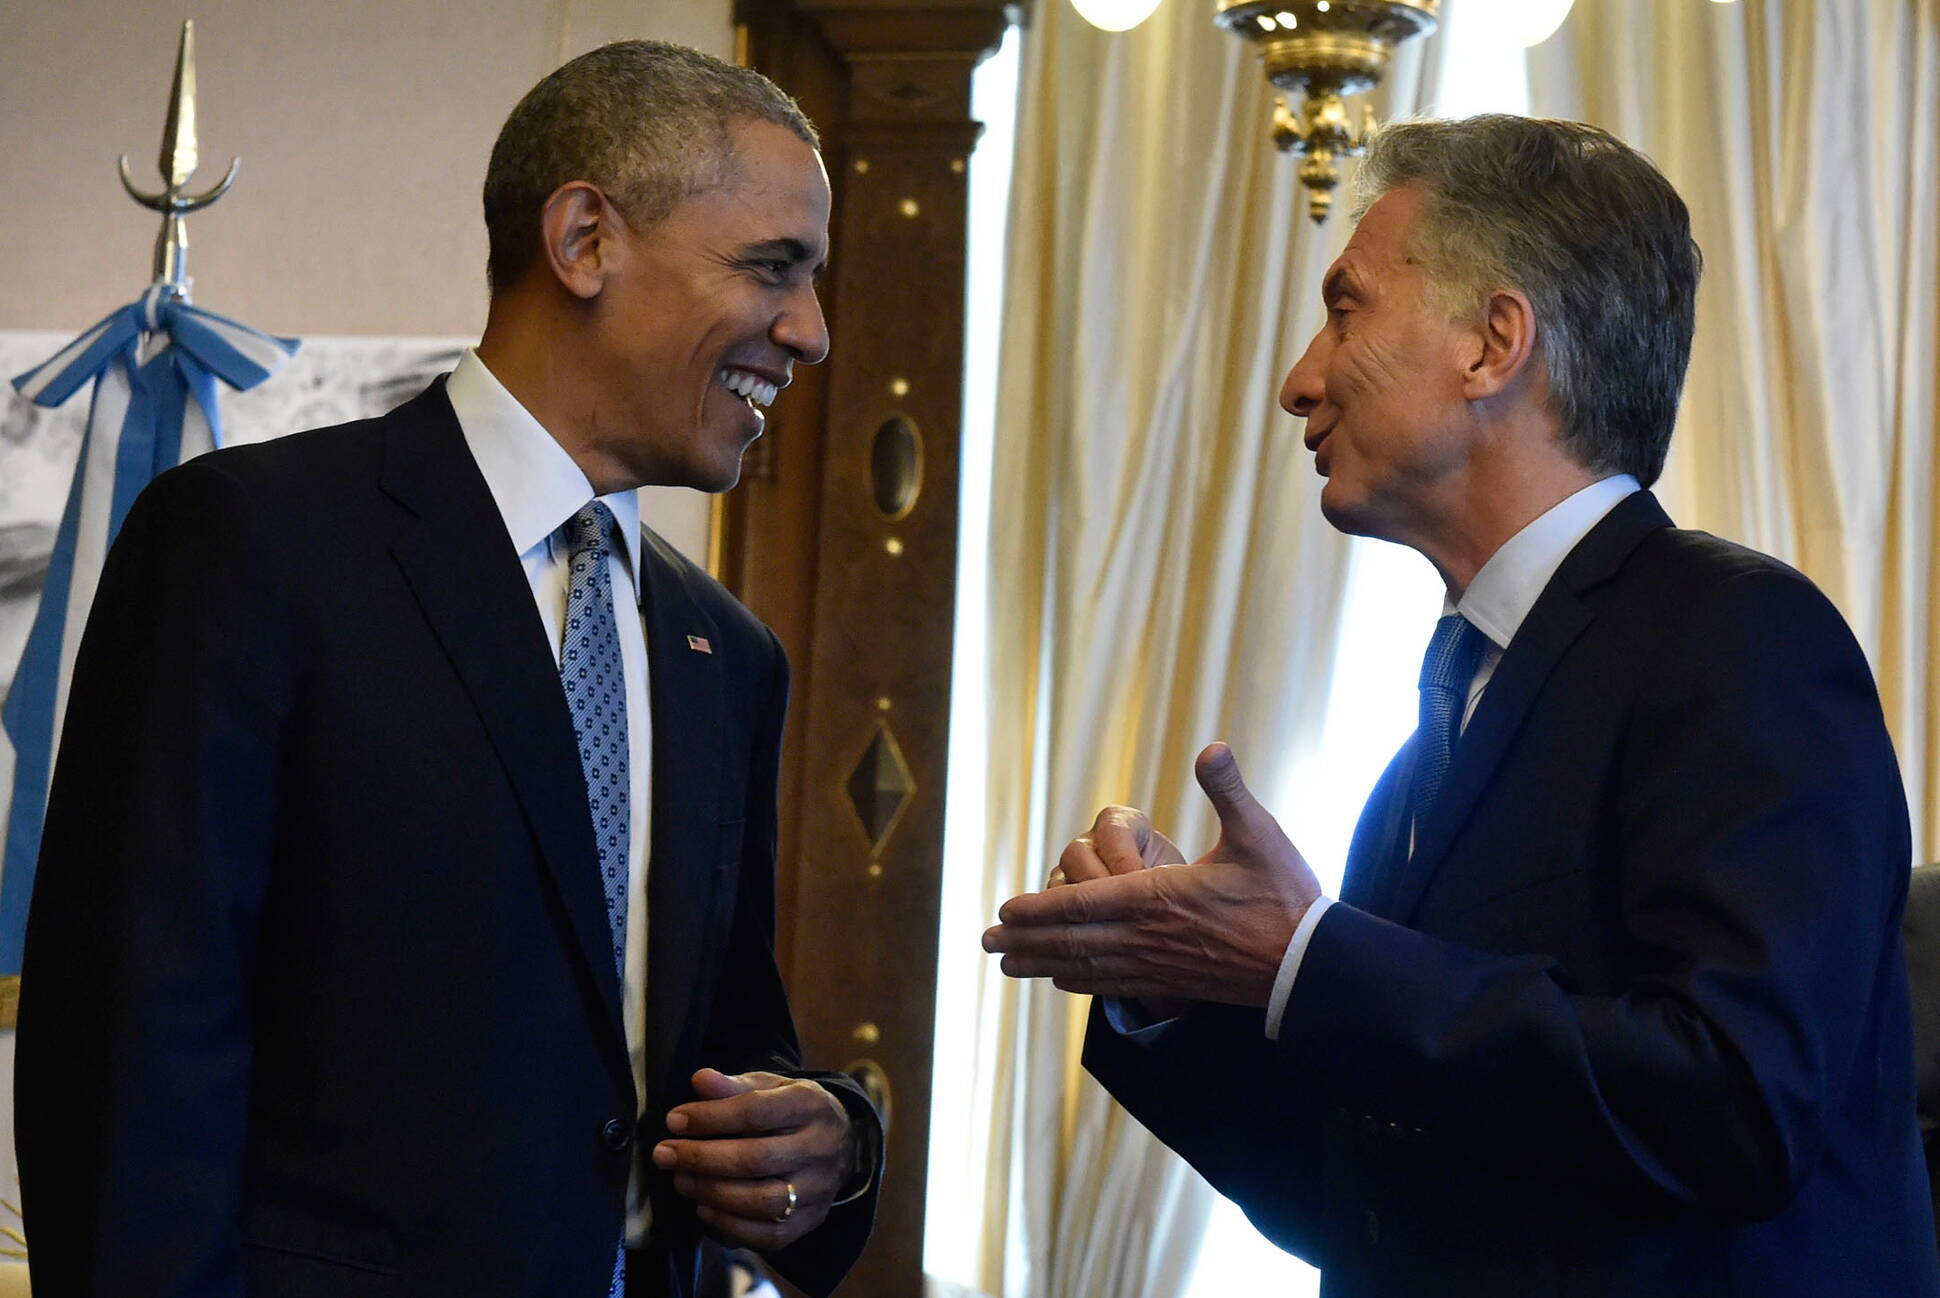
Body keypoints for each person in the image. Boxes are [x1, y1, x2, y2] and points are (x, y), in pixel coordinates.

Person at [984, 115, 1940, 1295]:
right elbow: (1368, 1210)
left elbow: (1737, 1103)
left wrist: (1304, 953)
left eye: (1344, 310)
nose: (1298, 380)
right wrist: (1190, 990)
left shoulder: (1736, 632)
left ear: (1493, 343)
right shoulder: (1425, 752)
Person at [15, 41, 881, 1298]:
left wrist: (828, 1137)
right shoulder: (252, 544)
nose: (808, 331)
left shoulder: (726, 655)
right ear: (584, 239)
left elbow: (715, 1053)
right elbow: (129, 1062)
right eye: (772, 268)